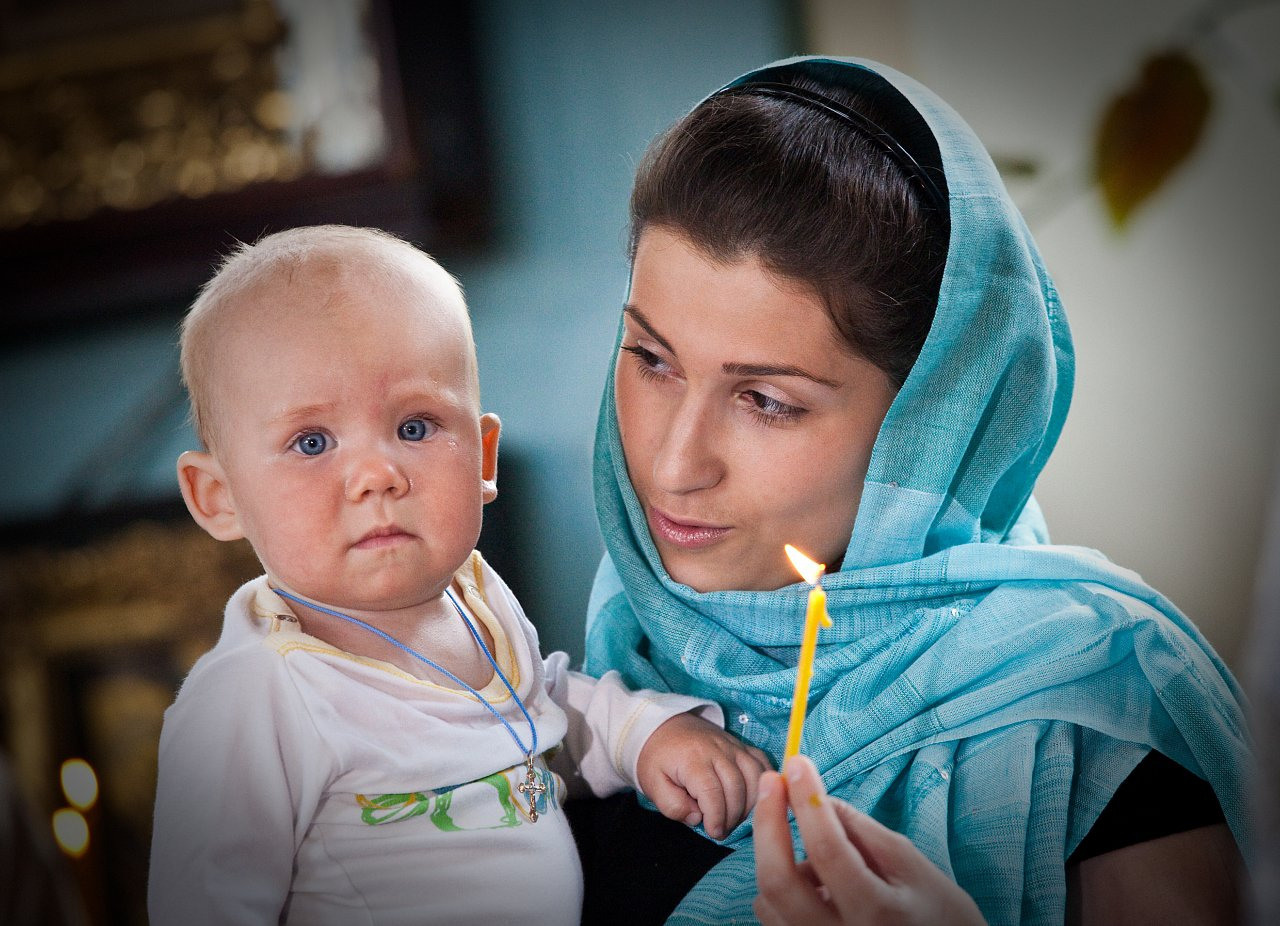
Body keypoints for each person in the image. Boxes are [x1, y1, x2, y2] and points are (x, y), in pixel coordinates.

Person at [574, 56, 1251, 924]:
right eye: (650, 360)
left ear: (933, 421)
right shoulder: (583, 670)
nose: (673, 466)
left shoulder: (1103, 713)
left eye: (767, 402)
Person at [148, 225, 769, 925]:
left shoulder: (477, 603)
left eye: (415, 427)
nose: (377, 475)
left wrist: (644, 736)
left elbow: (541, 724)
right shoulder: (256, 692)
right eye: (311, 442)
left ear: (482, 457)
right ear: (218, 496)